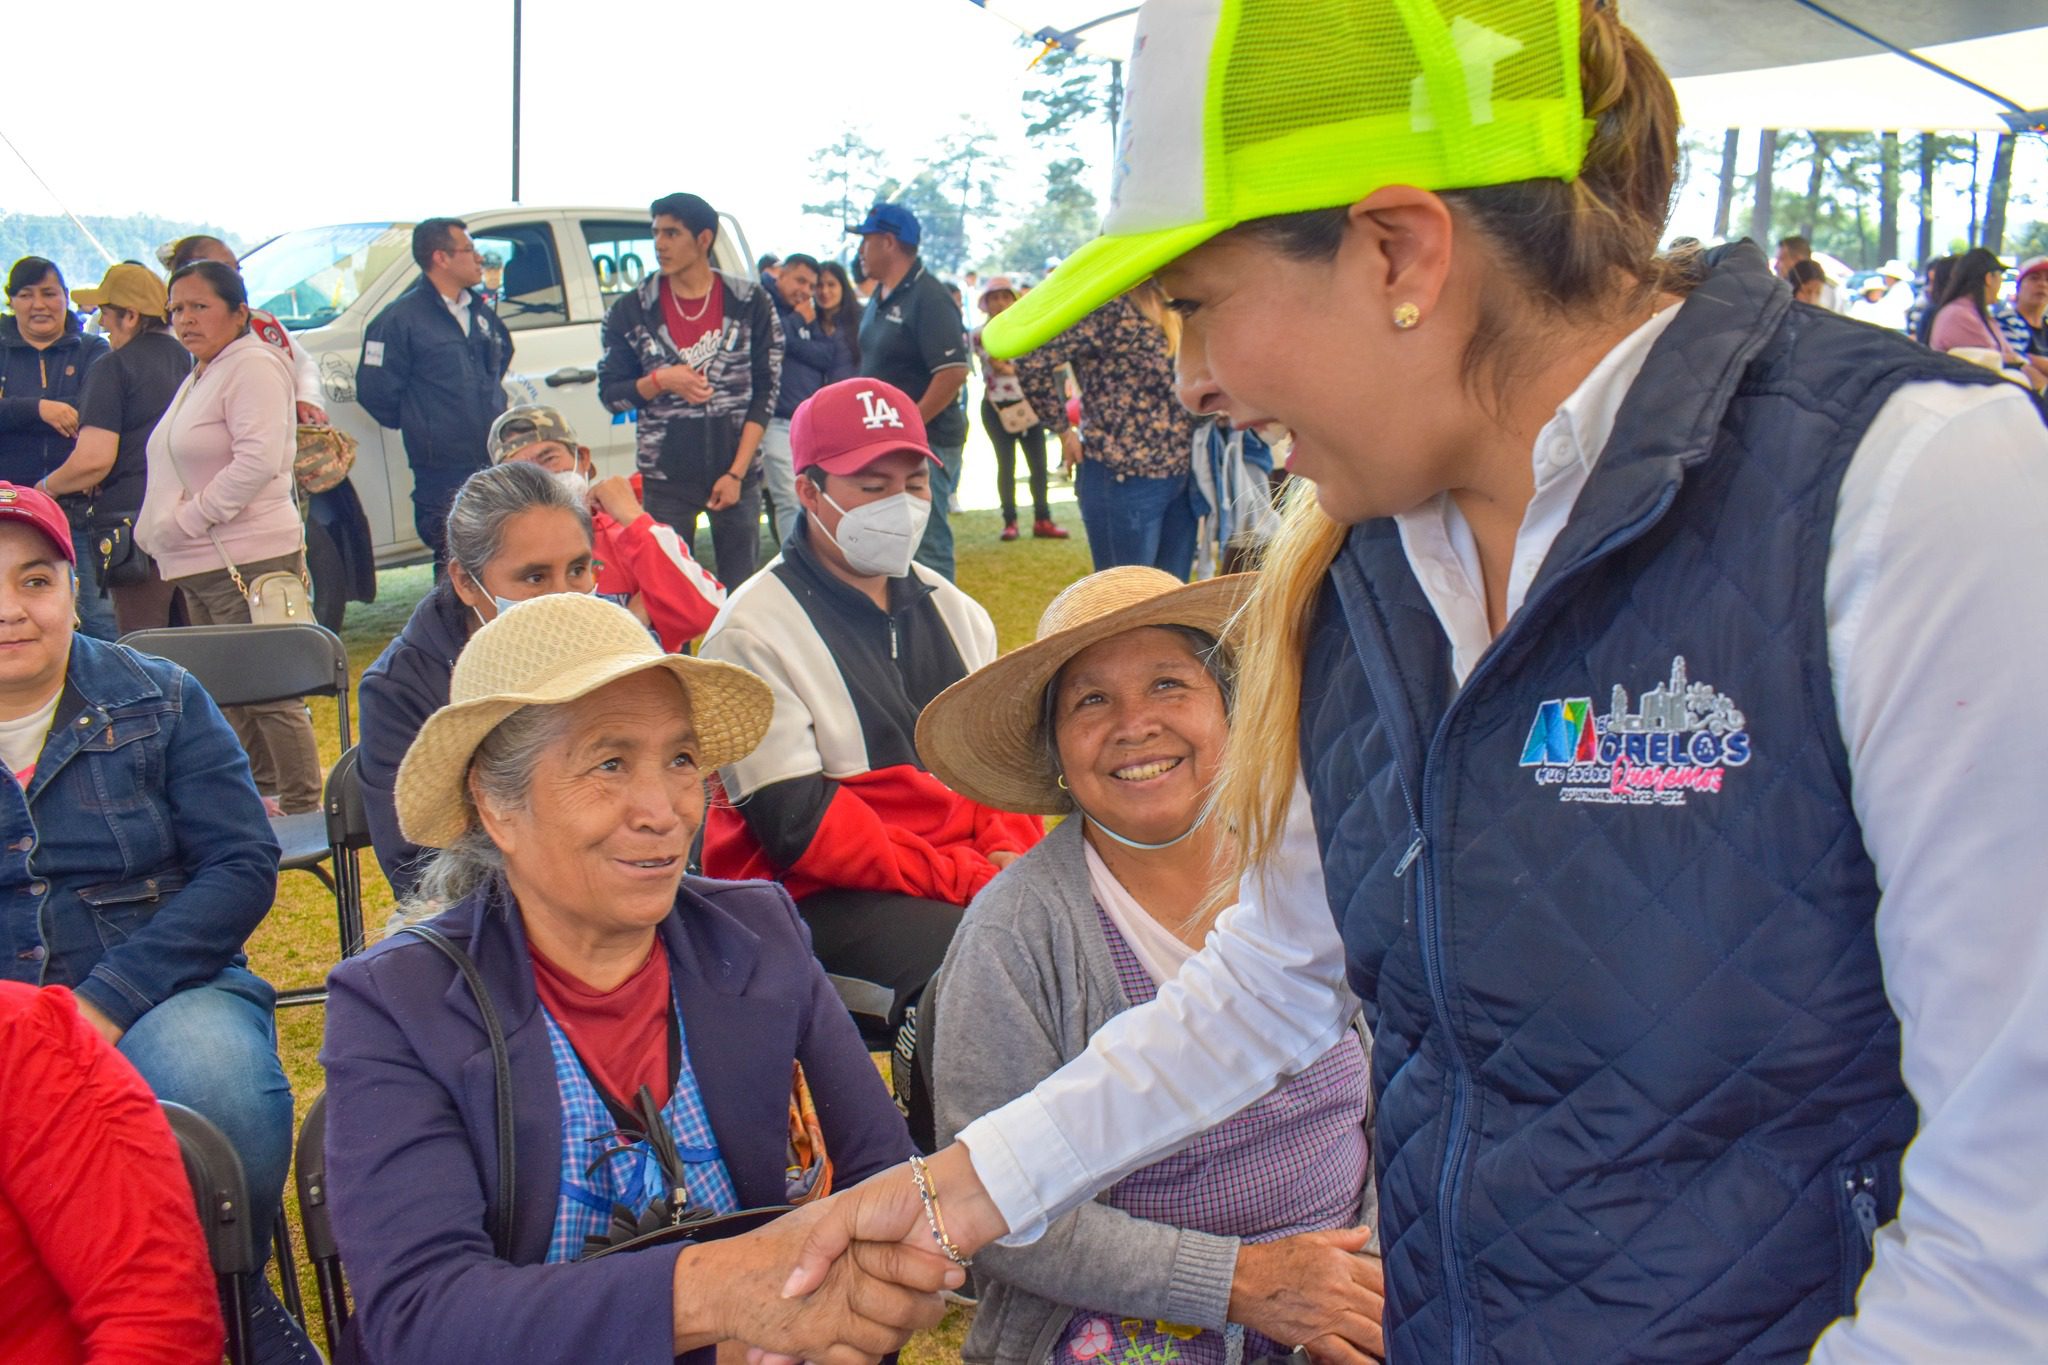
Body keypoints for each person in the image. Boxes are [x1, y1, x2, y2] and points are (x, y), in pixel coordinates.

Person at [780, 4, 2048, 1364]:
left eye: (1196, 306)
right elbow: (1276, 972)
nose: (1191, 382)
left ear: (1398, 248)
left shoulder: (1914, 486)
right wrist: (948, 1193)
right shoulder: (1367, 564)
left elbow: (2008, 1211)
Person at [321, 591, 957, 1363]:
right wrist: (720, 1296)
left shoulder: (757, 934)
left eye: (681, 760)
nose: (663, 809)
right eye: (610, 763)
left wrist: (850, 1310)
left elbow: (885, 1186)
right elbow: (423, 1316)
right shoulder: (398, 1004)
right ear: (496, 801)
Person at [921, 567, 1382, 1365]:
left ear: (1232, 713)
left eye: (1169, 684)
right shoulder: (1016, 933)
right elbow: (986, 1212)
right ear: (1057, 752)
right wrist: (1239, 1279)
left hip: (1348, 1295)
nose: (1135, 725)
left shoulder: (1312, 876)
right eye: (1091, 700)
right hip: (1119, 1327)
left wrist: (1364, 1269)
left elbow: (1396, 1106)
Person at [0, 483, 313, 1362]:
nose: (10, 611)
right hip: (4, 1018)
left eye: (34, 581)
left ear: (71, 587)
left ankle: (227, 1298)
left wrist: (105, 1000)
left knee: (214, 1086)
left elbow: (240, 864)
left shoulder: (161, 696)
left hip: (159, 985)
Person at [697, 378, 1042, 1141]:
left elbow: (997, 780)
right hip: (797, 906)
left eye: (913, 481)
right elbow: (802, 832)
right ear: (810, 491)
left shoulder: (959, 612)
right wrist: (976, 882)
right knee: (971, 967)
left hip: (948, 882)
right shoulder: (751, 631)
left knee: (1076, 930)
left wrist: (1013, 864)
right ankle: (938, 1190)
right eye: (872, 484)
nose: (901, 504)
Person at [359, 461, 600, 901]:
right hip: (484, 922)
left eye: (579, 569)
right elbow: (417, 868)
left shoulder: (617, 650)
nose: (565, 595)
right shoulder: (400, 689)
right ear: (466, 582)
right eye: (535, 576)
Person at [136, 261, 322, 815]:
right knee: (233, 691)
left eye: (199, 306)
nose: (185, 319)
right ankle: (263, 796)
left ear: (239, 312)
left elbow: (258, 461)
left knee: (269, 687)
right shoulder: (205, 371)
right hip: (201, 560)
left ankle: (305, 806)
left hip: (245, 554)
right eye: (175, 309)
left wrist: (188, 520)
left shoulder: (253, 367)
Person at [0, 980, 224, 1364]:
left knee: (216, 1080)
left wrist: (110, 994)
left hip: (142, 981)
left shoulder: (21, 1038)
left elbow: (159, 1322)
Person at [599, 192, 782, 586]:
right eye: (655, 233)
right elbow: (611, 395)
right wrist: (662, 380)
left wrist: (736, 473)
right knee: (669, 592)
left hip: (736, 472)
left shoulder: (750, 302)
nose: (660, 244)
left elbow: (766, 392)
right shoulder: (630, 310)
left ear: (703, 240)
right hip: (666, 476)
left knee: (741, 593)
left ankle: (733, 650)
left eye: (672, 233)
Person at [487, 404, 725, 650]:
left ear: (584, 459)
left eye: (549, 458)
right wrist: (631, 618)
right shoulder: (501, 554)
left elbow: (705, 611)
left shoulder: (627, 534)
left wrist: (632, 516)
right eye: (521, 471)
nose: (541, 476)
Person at [357, 217, 515, 575]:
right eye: (469, 249)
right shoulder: (400, 319)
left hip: (490, 456)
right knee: (452, 558)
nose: (479, 259)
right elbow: (376, 391)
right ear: (441, 257)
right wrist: (426, 422)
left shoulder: (479, 310)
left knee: (497, 552)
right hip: (441, 465)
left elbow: (500, 357)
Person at [38, 263, 188, 640]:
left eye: (106, 311)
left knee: (141, 646)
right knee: (196, 642)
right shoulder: (191, 359)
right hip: (194, 523)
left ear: (131, 315)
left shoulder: (114, 366)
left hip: (133, 533)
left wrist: (44, 489)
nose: (101, 321)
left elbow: (94, 460)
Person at [1016, 284, 1200, 578]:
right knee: (1124, 599)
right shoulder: (1107, 311)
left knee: (1172, 599)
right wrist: (1063, 430)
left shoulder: (1176, 304)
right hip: (1121, 476)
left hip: (1181, 474)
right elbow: (1030, 359)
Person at [848, 204, 970, 580]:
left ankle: (940, 628)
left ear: (888, 242)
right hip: (893, 441)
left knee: (927, 541)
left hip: (925, 441)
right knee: (898, 539)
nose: (860, 252)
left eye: (866, 241)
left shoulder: (928, 297)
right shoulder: (885, 295)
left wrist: (910, 426)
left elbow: (952, 372)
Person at [166, 236, 328, 424]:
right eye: (226, 268)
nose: (238, 276)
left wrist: (307, 398)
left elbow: (304, 364)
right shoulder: (181, 342)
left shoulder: (263, 323)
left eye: (237, 268)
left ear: (240, 314)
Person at [0, 258, 108, 495]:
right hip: (6, 499)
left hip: (76, 500)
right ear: (11, 301)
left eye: (49, 294)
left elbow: (98, 410)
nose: (39, 305)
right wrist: (38, 408)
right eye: (26, 295)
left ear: (66, 296)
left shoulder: (93, 349)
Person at [974, 277, 1066, 542]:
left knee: (1039, 465)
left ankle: (1043, 518)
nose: (1000, 303)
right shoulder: (981, 334)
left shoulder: (1028, 329)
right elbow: (998, 364)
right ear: (986, 303)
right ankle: (1010, 520)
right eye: (994, 298)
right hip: (997, 406)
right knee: (1007, 465)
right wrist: (1030, 371)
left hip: (1031, 404)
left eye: (1005, 297)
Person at [762, 253, 839, 545]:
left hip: (807, 421)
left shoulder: (806, 313)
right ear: (781, 274)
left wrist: (795, 339)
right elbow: (773, 341)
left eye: (811, 285)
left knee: (813, 496)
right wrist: (796, 323)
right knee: (788, 497)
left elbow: (826, 355)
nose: (806, 291)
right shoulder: (765, 303)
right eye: (800, 281)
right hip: (775, 419)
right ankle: (792, 565)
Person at [1926, 247, 2046, 388]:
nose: (2043, 285)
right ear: (1989, 279)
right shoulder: (1960, 315)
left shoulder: (1973, 313)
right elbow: (1996, 360)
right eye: (2000, 276)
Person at [815, 261, 863, 383]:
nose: (824, 291)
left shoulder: (861, 318)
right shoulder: (809, 324)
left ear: (843, 287)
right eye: (819, 285)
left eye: (831, 285)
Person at [1774, 234, 1841, 311]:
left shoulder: (1829, 295)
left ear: (1798, 261)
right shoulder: (1779, 291)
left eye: (1781, 259)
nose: (1775, 266)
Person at [2017, 256, 2048, 358]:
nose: (2043, 284)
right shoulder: (2006, 322)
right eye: (2034, 278)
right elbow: (2018, 363)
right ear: (2018, 287)